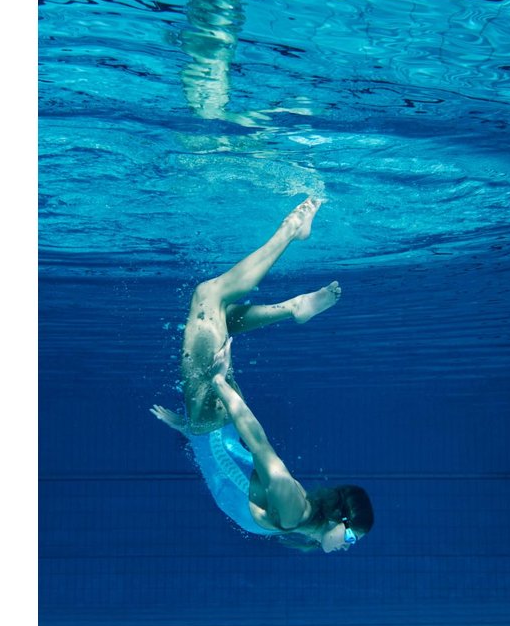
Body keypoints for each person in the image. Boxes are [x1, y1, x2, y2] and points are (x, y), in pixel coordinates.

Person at [150, 197, 374, 551]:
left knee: (220, 316)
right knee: (207, 296)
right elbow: (258, 444)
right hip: (214, 416)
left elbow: (229, 472)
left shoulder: (292, 524)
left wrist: (188, 429)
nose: (347, 546)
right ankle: (290, 231)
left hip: (210, 424)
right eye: (350, 536)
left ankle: (293, 307)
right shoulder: (293, 508)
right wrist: (218, 382)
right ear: (338, 517)